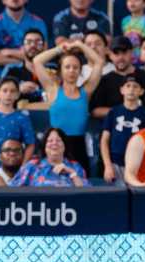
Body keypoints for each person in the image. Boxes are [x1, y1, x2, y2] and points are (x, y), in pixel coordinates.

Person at [33, 40, 104, 174]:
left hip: (79, 148)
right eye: (67, 67)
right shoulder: (52, 89)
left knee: (81, 186)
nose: (71, 71)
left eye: (75, 67)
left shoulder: (86, 92)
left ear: (80, 71)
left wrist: (80, 45)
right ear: (60, 70)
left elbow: (99, 62)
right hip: (56, 146)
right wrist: (60, 49)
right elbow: (37, 61)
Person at [90, 36, 145, 119]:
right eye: (116, 53)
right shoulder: (104, 80)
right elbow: (94, 111)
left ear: (131, 53)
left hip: (144, 128)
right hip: (114, 129)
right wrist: (123, 111)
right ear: (110, 55)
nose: (120, 57)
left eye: (124, 52)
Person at [100, 75, 145, 184]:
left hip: (137, 164)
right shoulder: (113, 112)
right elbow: (104, 140)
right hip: (115, 164)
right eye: (128, 86)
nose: (131, 89)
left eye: (135, 87)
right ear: (122, 90)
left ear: (141, 91)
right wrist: (107, 166)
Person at [0, 0, 49, 80]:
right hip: (1, 79)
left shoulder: (38, 23)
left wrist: (9, 52)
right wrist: (24, 62)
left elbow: (44, 56)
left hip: (33, 75)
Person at [9, 127, 90, 186]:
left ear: (65, 145)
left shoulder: (75, 166)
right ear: (44, 146)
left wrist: (72, 173)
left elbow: (86, 195)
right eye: (50, 140)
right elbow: (12, 191)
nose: (54, 143)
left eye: (58, 140)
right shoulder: (32, 166)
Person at [1, 29, 47, 105]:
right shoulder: (12, 69)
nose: (33, 45)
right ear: (22, 48)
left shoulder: (53, 69)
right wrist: (18, 90)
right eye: (28, 42)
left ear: (44, 47)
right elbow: (0, 97)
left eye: (38, 42)